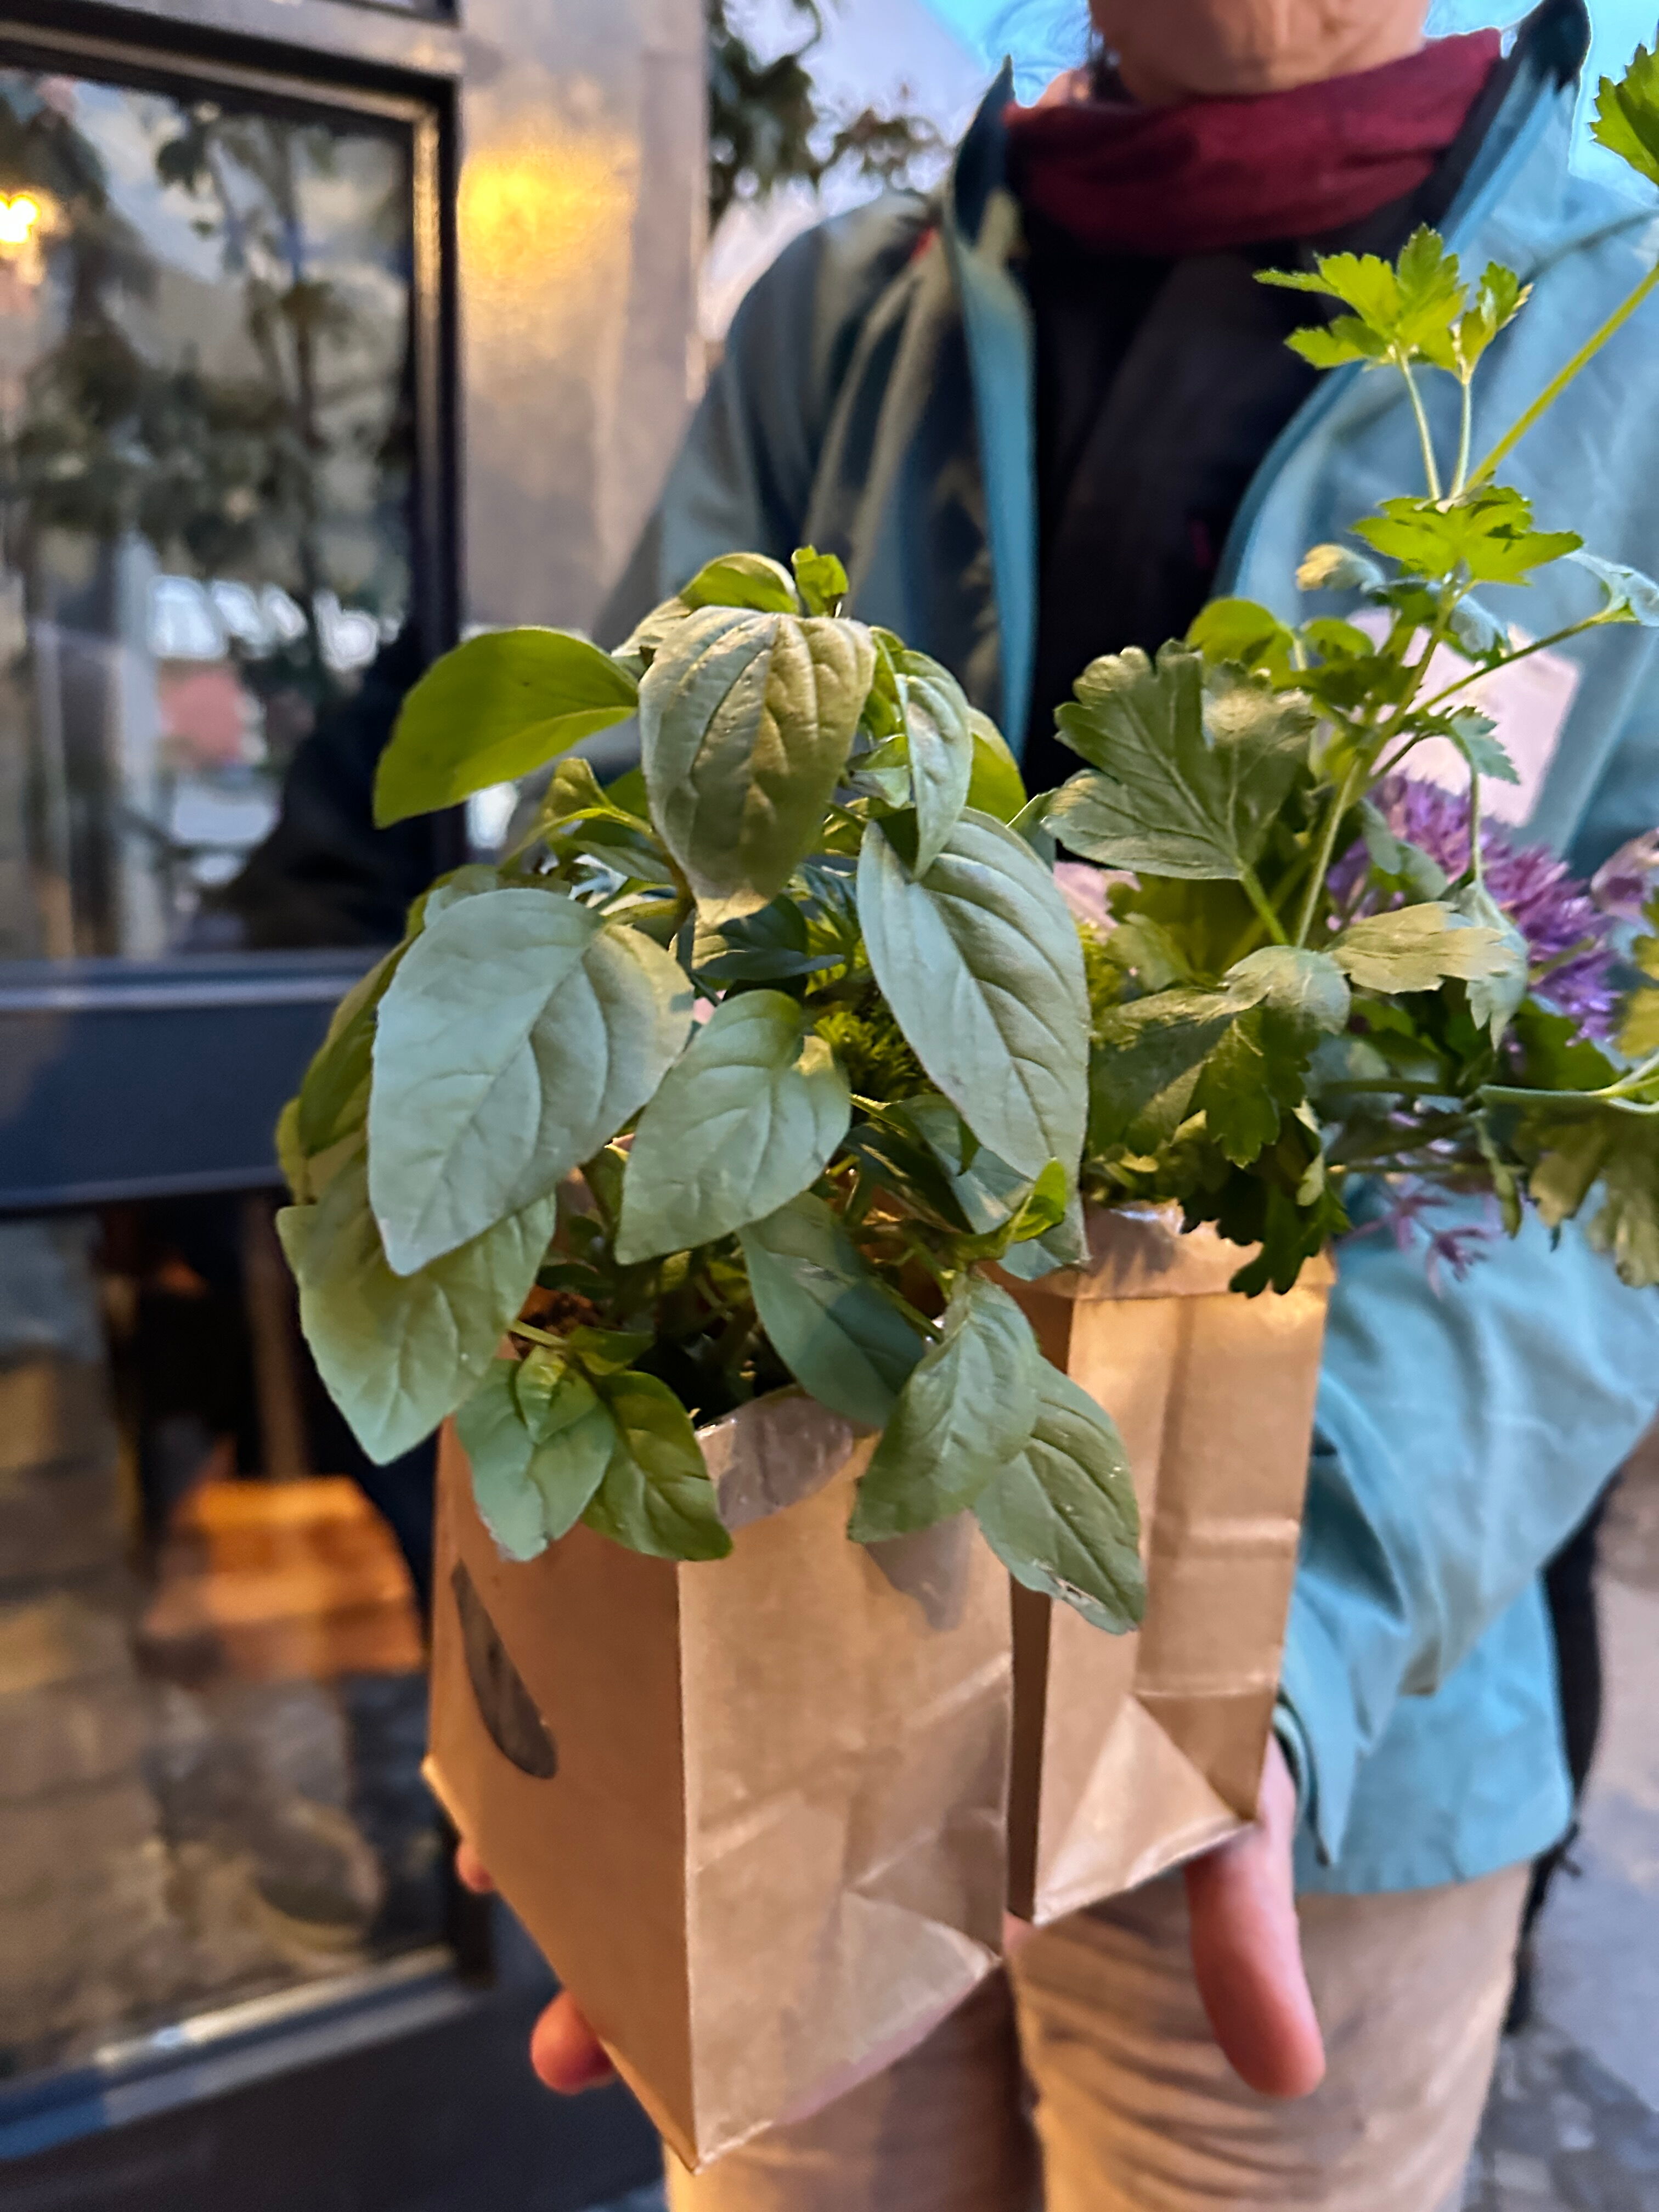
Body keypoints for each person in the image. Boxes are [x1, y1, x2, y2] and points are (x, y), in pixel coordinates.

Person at [462, 2, 1659, 2204]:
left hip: (1315, 1765)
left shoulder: (1629, 336)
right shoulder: (847, 317)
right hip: (790, 1652)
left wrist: (1253, 1656)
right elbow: (613, 883)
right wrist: (567, 1591)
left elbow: (1604, 1125)